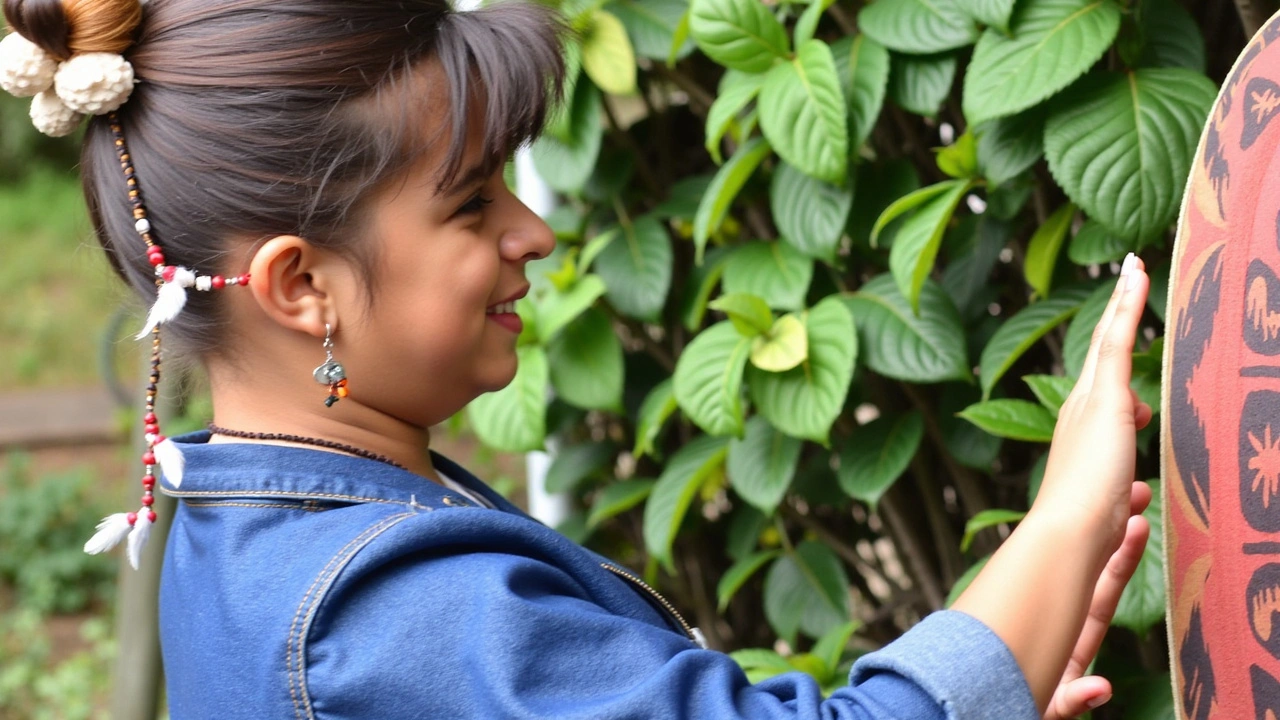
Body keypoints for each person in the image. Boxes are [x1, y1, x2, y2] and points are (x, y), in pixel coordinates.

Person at [0, 0, 1155, 718]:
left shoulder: (236, 521)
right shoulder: (385, 612)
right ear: (301, 285)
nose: (533, 231)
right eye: (468, 204)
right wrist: (1064, 516)